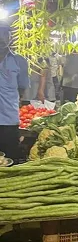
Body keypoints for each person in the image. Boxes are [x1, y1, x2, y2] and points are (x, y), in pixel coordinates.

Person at [0, 25, 30, 160]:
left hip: (9, 120)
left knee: (9, 158)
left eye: (5, 34)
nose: (1, 38)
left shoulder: (20, 61)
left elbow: (21, 88)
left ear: (10, 38)